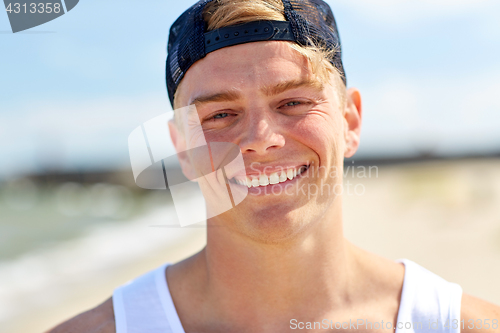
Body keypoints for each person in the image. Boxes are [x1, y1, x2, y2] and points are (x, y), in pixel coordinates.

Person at [46, 0, 500, 332]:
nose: (261, 141)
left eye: (293, 102)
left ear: (349, 122)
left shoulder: (455, 323)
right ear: (182, 146)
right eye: (220, 115)